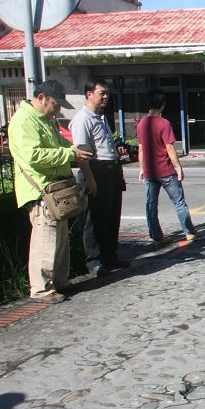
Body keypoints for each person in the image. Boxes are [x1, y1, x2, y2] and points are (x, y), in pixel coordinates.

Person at [8, 79, 95, 303]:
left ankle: (60, 280)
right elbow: (33, 157)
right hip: (41, 191)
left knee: (60, 239)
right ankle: (41, 288)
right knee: (45, 240)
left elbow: (59, 145)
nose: (57, 109)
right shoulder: (24, 121)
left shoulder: (46, 119)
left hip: (56, 190)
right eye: (55, 104)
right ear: (41, 98)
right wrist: (69, 155)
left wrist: (72, 150)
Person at [69, 78, 128, 276]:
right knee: (93, 219)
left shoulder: (101, 117)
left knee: (111, 215)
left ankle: (110, 256)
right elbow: (82, 154)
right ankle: (94, 262)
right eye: (102, 93)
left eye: (107, 93)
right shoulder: (82, 119)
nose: (105, 97)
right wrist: (90, 178)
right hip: (95, 170)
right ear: (89, 94)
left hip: (110, 169)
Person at [137, 89, 198, 246]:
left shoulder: (142, 123)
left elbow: (141, 149)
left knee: (151, 205)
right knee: (179, 202)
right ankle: (189, 232)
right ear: (163, 104)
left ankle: (157, 237)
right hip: (166, 171)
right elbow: (170, 148)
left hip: (150, 172)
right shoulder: (164, 123)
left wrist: (142, 168)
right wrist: (178, 168)